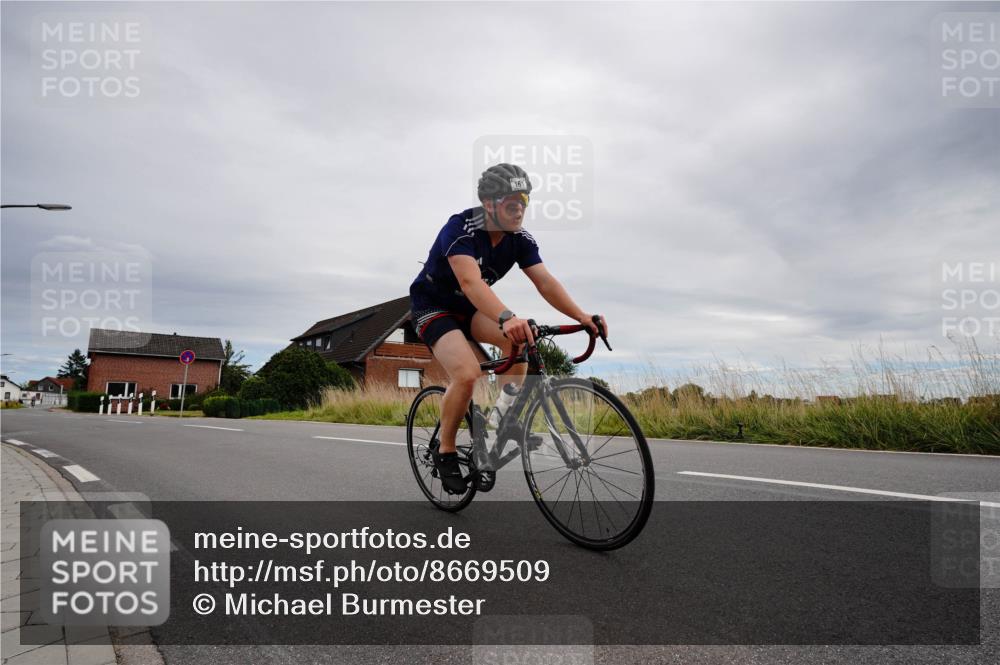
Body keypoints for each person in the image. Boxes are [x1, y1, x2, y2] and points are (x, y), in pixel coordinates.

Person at [409, 163, 608, 494]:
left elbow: (545, 281)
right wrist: (506, 317)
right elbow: (471, 282)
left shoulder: (520, 240)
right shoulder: (461, 228)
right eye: (511, 203)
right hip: (434, 307)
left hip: (471, 310)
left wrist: (582, 316)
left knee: (521, 344)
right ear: (489, 204)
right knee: (469, 373)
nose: (519, 210)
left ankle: (498, 425)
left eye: (524, 203)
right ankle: (444, 449)